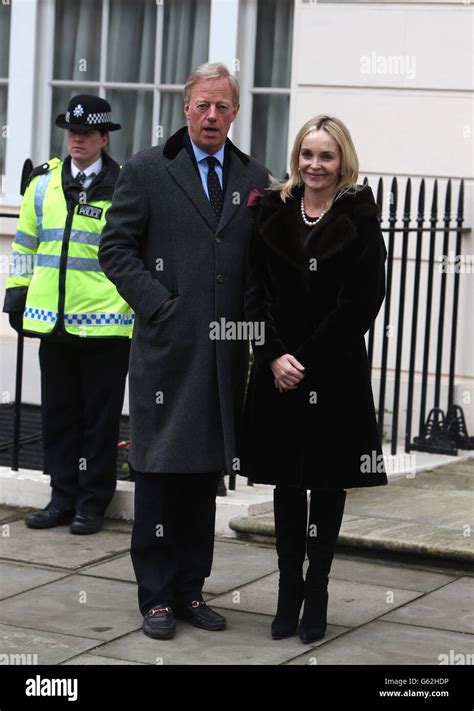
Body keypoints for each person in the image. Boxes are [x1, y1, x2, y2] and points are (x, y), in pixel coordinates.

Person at [99, 63, 268, 640]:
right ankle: (156, 599)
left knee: (202, 479)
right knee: (159, 474)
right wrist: (159, 306)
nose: (212, 116)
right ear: (185, 108)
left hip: (222, 356)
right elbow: (116, 248)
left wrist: (249, 328)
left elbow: (257, 268)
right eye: (202, 105)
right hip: (167, 352)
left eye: (222, 106)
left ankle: (192, 590)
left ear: (235, 112)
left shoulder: (254, 178)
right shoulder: (148, 169)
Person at [244, 115, 387, 643]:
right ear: (296, 157)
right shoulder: (272, 209)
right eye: (307, 154)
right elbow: (253, 291)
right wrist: (275, 355)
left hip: (334, 372)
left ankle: (318, 589)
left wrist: (304, 360)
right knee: (287, 482)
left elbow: (362, 303)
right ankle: (287, 590)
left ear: (342, 160)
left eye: (326, 156)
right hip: (277, 372)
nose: (314, 165)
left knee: (326, 484)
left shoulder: (359, 216)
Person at [3, 95, 133, 535]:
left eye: (86, 133)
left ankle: (92, 503)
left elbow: (133, 252)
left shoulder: (124, 186)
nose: (77, 139)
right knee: (58, 414)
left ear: (103, 138)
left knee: (100, 419)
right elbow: (24, 243)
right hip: (52, 321)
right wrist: (16, 293)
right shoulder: (43, 184)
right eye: (71, 132)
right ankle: (61, 498)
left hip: (106, 322)